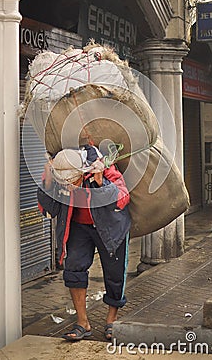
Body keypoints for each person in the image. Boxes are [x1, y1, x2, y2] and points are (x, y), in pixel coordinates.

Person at [37, 144, 131, 342]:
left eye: (72, 181)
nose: (68, 186)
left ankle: (112, 320)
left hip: (111, 227)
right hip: (79, 226)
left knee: (114, 274)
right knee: (73, 268)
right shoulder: (60, 175)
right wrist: (47, 180)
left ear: (82, 172)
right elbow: (48, 210)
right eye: (65, 183)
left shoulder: (104, 168)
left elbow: (123, 197)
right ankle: (83, 322)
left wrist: (100, 184)